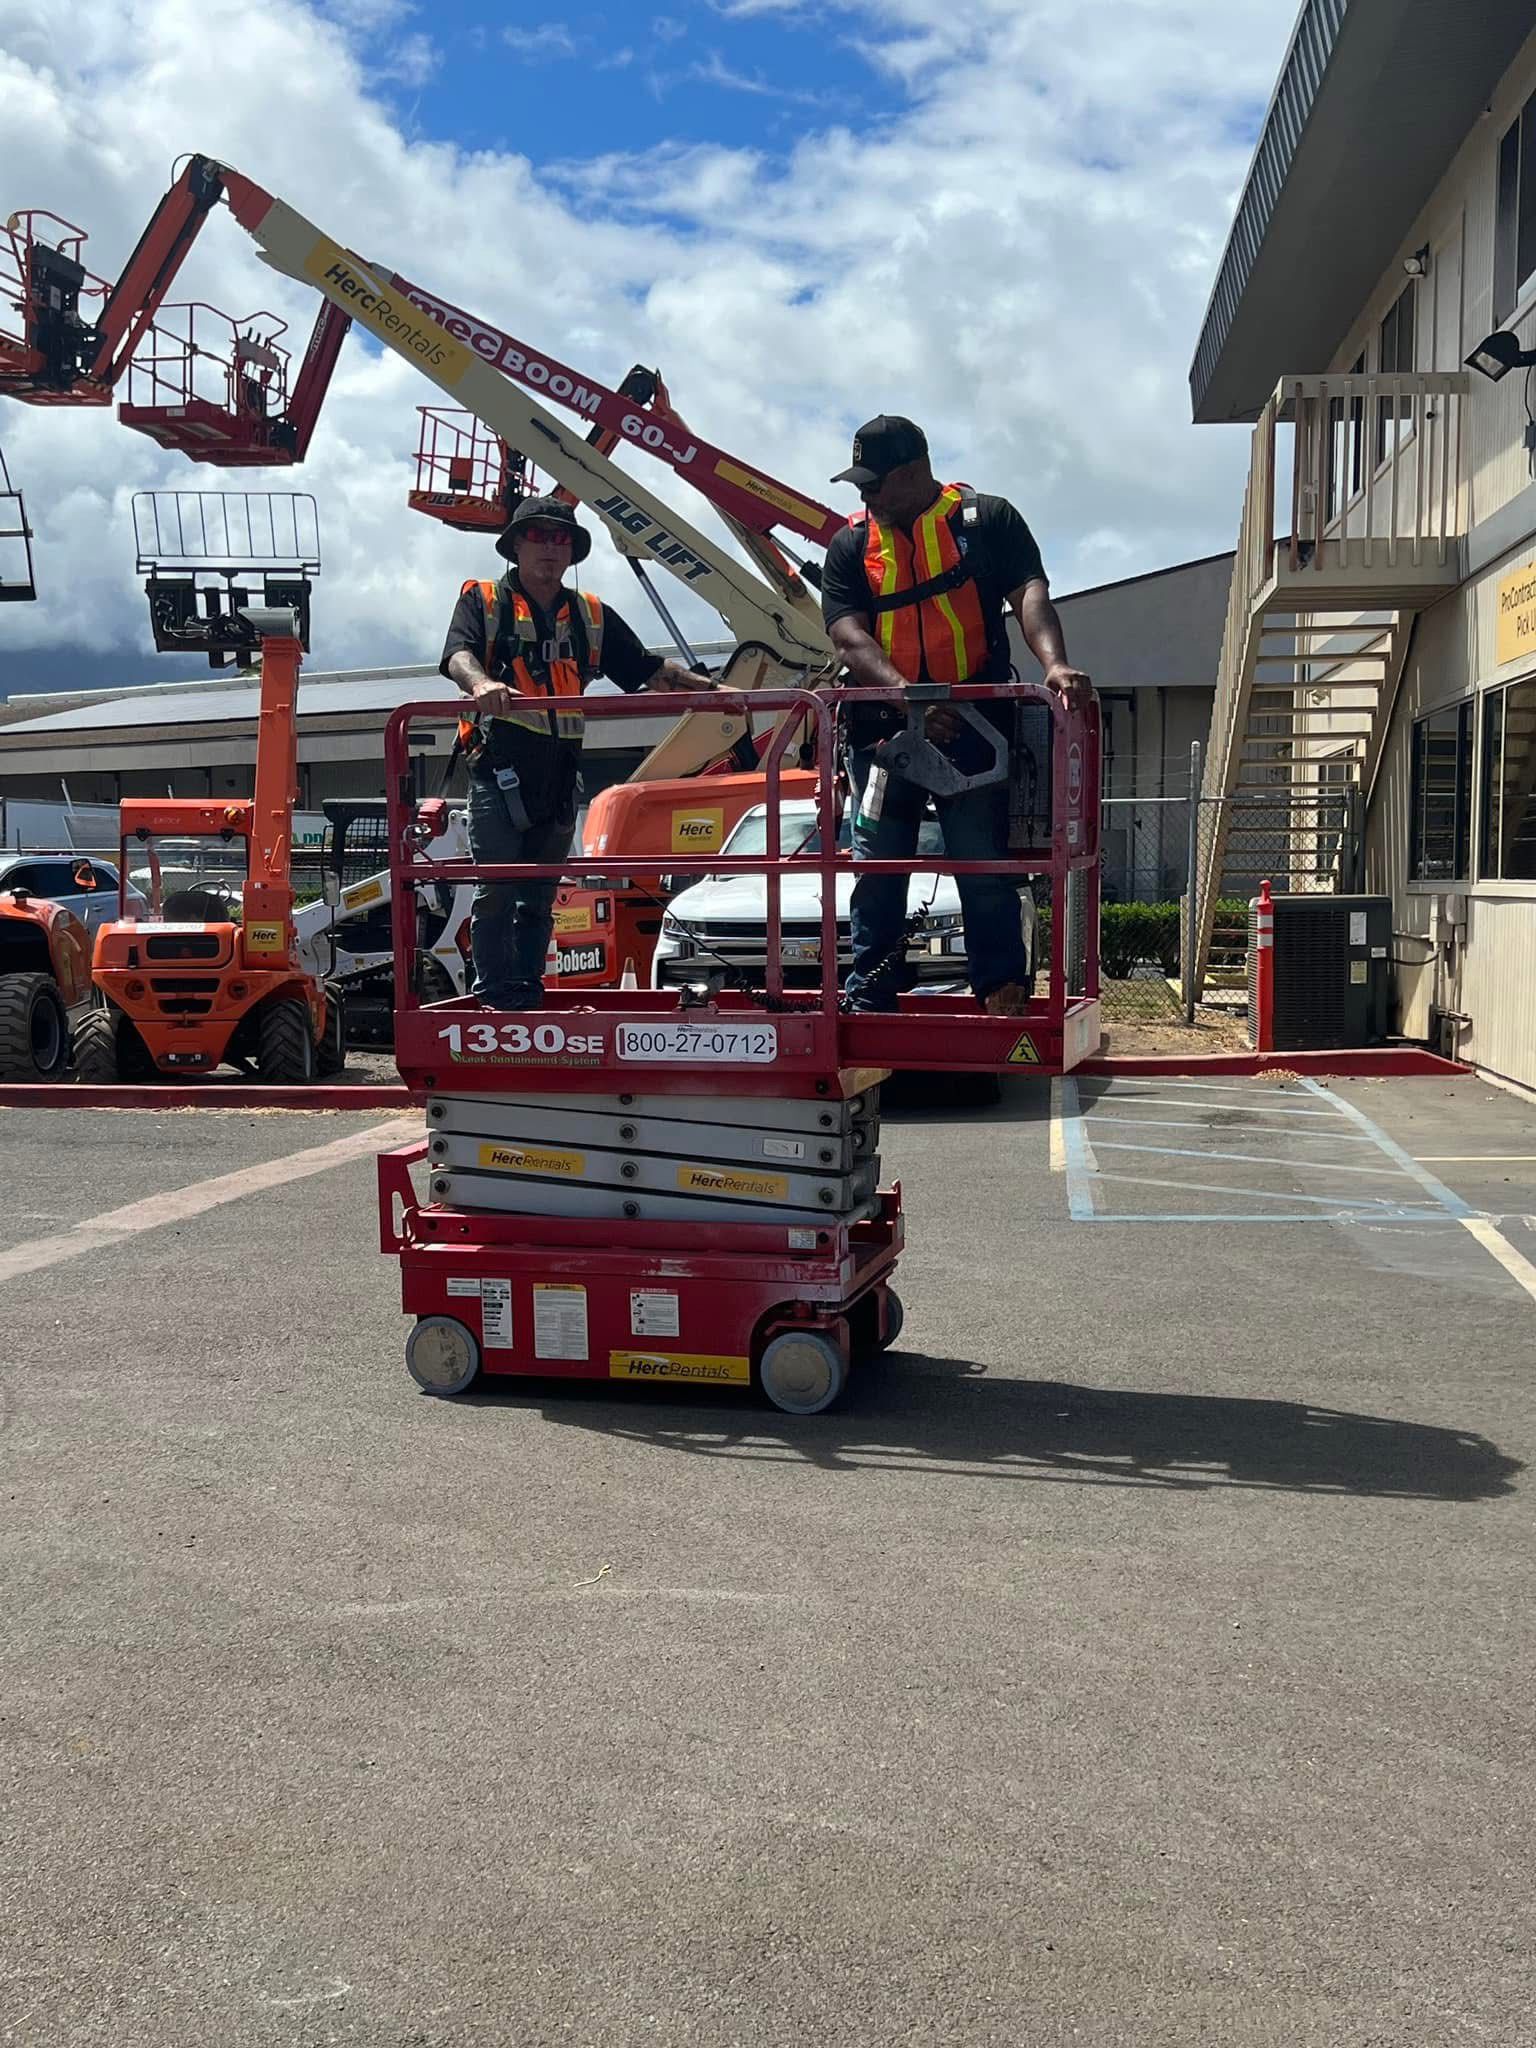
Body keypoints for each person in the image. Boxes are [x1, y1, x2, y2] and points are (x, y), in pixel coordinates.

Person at [819, 416, 1092, 1016]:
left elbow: (1029, 593)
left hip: (976, 728)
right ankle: (871, 992)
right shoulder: (849, 545)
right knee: (878, 870)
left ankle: (1000, 989)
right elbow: (848, 637)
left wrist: (1055, 663)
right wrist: (910, 699)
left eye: (875, 483)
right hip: (884, 733)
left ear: (915, 472)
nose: (865, 496)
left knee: (982, 864)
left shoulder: (988, 521)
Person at [440, 494, 714, 1009]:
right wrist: (480, 685)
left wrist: (717, 695)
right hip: (498, 768)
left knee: (539, 897)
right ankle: (495, 996)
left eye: (560, 538)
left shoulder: (589, 615)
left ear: (572, 552)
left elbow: (650, 670)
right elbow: (458, 653)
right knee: (496, 890)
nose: (550, 548)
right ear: (517, 545)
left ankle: (527, 991)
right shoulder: (483, 601)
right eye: (539, 537)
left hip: (559, 776)